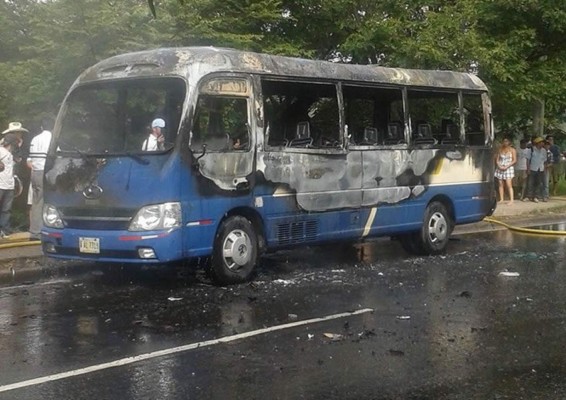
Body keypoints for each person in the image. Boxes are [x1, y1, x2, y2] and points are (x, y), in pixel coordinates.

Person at [27, 119, 53, 240]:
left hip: (35, 172)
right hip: (46, 171)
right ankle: (45, 230)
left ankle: (34, 231)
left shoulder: (35, 139)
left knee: (36, 201)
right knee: (49, 202)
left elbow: (31, 158)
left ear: (42, 127)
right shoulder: (52, 138)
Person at [0, 134, 21, 237]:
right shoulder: (1, 151)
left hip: (9, 185)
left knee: (6, 210)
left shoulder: (11, 154)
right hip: (0, 184)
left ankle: (4, 230)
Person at [494, 136, 516, 204]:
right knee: (500, 184)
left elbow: (514, 160)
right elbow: (497, 160)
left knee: (508, 184)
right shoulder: (500, 149)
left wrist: (507, 166)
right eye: (504, 141)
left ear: (509, 142)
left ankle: (511, 200)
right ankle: (501, 199)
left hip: (508, 168)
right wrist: (499, 165)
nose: (505, 143)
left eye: (506, 141)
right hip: (500, 167)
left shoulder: (512, 150)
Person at [525, 137, 546, 203]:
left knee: (538, 183)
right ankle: (528, 196)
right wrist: (528, 169)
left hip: (540, 169)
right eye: (541, 142)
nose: (542, 143)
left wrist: (544, 168)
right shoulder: (531, 150)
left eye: (543, 142)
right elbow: (528, 160)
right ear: (537, 143)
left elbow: (544, 160)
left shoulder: (544, 150)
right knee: (530, 183)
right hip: (532, 168)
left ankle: (536, 196)